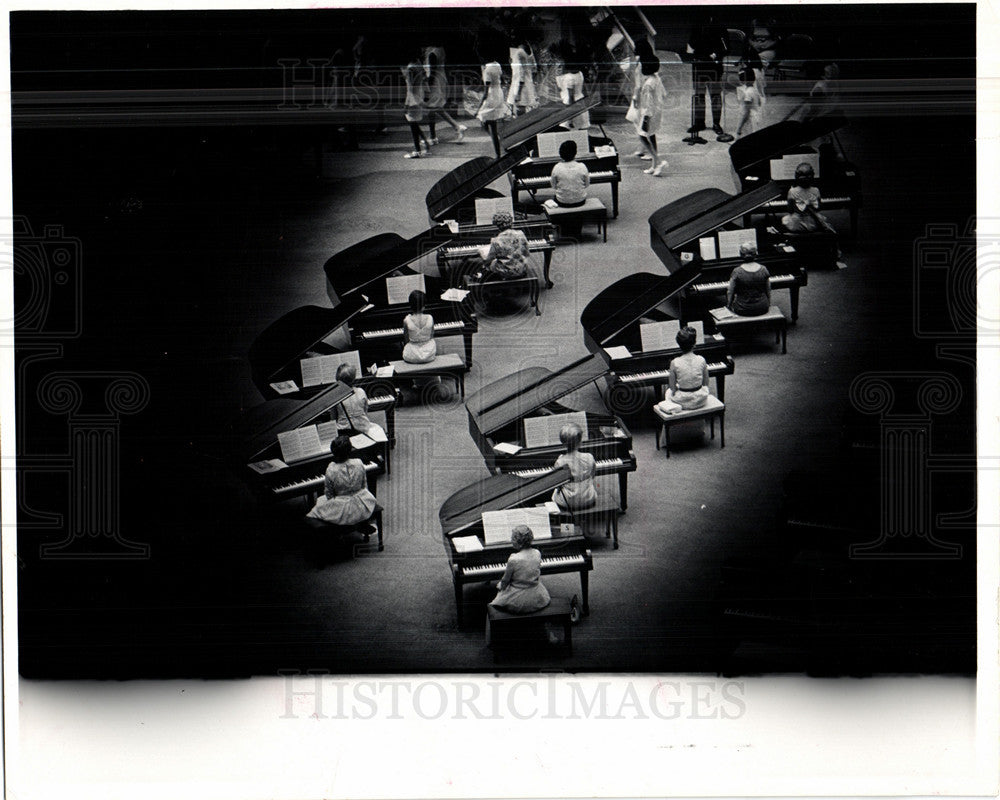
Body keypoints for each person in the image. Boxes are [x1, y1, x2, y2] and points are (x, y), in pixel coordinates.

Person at [306, 435, 377, 526]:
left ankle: (337, 532)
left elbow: (329, 495)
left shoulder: (331, 469)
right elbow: (364, 486)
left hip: (342, 508)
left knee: (317, 506)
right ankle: (361, 524)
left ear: (334, 452)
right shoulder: (358, 462)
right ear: (350, 450)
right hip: (362, 505)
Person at [488, 525, 551, 614]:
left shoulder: (514, 559)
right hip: (536, 594)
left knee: (498, 597)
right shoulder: (537, 553)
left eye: (512, 538)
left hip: (518, 598)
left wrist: (500, 586)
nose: (511, 541)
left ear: (519, 542)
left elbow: (505, 580)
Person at [653, 326, 710, 417]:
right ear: (694, 343)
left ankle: (674, 422)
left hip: (682, 402)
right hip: (700, 400)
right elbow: (706, 383)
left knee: (668, 393)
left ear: (679, 345)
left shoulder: (674, 362)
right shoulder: (701, 359)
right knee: (704, 389)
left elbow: (672, 387)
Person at [686, 19, 728, 136]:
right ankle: (699, 122)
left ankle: (716, 123)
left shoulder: (719, 25)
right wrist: (690, 52)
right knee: (699, 95)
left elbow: (726, 47)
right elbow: (691, 43)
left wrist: (715, 54)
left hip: (713, 66)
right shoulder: (696, 25)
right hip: (699, 65)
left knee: (715, 95)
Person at [424, 46, 467, 144]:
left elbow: (432, 72)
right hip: (441, 80)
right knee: (433, 109)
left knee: (432, 108)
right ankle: (433, 136)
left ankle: (455, 127)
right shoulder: (441, 49)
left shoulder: (432, 54)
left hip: (435, 83)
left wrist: (428, 86)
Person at [551, 423, 597, 511]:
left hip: (567, 502)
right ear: (580, 442)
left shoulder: (560, 462)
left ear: (563, 443)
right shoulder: (589, 457)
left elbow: (557, 484)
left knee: (554, 495)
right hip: (589, 498)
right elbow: (593, 475)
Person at [333, 363, 385, 438]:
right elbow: (365, 411)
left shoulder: (335, 396)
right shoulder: (361, 391)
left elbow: (333, 419)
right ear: (353, 379)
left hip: (344, 431)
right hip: (363, 429)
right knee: (378, 428)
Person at [636, 57, 668, 177]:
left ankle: (658, 161)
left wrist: (646, 118)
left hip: (649, 113)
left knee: (642, 136)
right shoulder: (656, 78)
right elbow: (664, 94)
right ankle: (654, 164)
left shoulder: (648, 85)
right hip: (657, 111)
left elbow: (648, 103)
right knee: (651, 135)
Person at [782, 162, 835, 234]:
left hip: (798, 224)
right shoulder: (816, 190)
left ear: (796, 177)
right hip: (813, 222)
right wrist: (810, 206)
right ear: (812, 176)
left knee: (785, 219)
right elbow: (819, 208)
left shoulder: (792, 191)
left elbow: (790, 210)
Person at [475, 55, 510, 154]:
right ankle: (498, 143)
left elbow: (486, 92)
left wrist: (478, 108)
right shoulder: (496, 65)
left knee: (489, 124)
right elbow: (501, 79)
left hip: (491, 96)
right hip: (498, 94)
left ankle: (498, 151)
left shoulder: (487, 70)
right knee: (489, 123)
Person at [629, 38, 657, 160]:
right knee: (639, 123)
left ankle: (651, 151)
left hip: (642, 96)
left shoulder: (642, 64)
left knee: (644, 124)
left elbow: (639, 84)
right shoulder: (646, 60)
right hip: (643, 95)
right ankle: (643, 146)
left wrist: (635, 97)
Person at [727, 242, 772, 317]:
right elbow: (768, 289)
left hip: (742, 309)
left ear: (741, 254)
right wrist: (768, 304)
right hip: (762, 307)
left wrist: (729, 305)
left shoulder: (737, 271)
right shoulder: (763, 269)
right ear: (756, 254)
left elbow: (730, 291)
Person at [555, 43, 590, 130]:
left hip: (571, 101)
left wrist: (570, 115)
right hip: (580, 99)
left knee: (568, 127)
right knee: (581, 126)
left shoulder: (569, 78)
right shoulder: (580, 74)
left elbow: (571, 97)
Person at [401, 60, 431, 159]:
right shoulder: (418, 64)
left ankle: (418, 150)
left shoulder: (410, 68)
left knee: (413, 125)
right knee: (414, 123)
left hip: (412, 99)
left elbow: (410, 88)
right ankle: (425, 143)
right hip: (419, 95)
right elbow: (424, 80)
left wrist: (406, 103)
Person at [550, 139, 590, 207]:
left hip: (562, 202)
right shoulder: (582, 166)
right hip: (580, 201)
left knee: (554, 197)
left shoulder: (556, 167)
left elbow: (553, 186)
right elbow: (587, 184)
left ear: (560, 154)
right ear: (575, 153)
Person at [402, 289, 437, 364]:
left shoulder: (406, 320)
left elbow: (406, 340)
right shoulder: (430, 317)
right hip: (429, 354)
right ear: (423, 306)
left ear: (411, 306)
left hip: (412, 355)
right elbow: (432, 336)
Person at [506, 38, 539, 116]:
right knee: (523, 109)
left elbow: (520, 74)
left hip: (520, 86)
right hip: (527, 84)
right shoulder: (529, 53)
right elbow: (534, 70)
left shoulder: (518, 53)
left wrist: (518, 92)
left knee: (520, 110)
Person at [735, 68, 763, 136]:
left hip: (749, 121)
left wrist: (739, 127)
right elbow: (759, 103)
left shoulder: (747, 93)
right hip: (756, 117)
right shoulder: (755, 90)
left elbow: (746, 112)